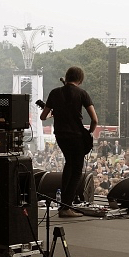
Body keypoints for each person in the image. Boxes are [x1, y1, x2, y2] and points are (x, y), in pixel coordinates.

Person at [40, 66, 99, 217]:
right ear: (80, 79)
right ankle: (66, 207)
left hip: (60, 135)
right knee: (77, 170)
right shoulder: (82, 93)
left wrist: (55, 114)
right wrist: (89, 133)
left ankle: (64, 205)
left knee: (69, 165)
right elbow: (94, 119)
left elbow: (43, 117)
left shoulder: (54, 93)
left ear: (66, 77)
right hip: (76, 135)